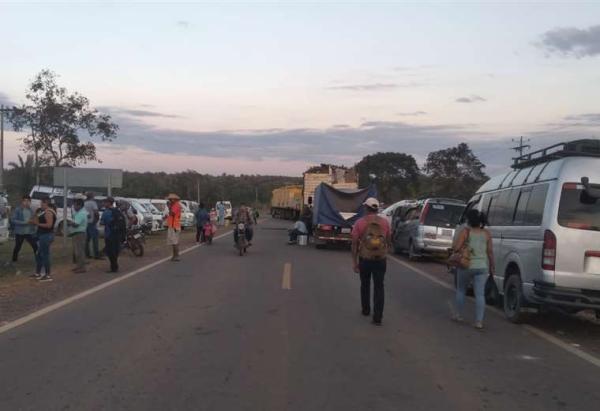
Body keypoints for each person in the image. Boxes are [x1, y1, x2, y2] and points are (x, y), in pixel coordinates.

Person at [452, 209, 495, 330]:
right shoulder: (487, 233)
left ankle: (458, 315)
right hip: (482, 267)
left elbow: (456, 247)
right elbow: (490, 252)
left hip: (466, 265)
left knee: (461, 290)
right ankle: (479, 321)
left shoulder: (465, 232)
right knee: (480, 294)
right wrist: (492, 266)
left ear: (469, 220)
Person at [351, 197, 391, 326]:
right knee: (379, 287)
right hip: (380, 259)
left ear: (366, 208)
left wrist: (354, 261)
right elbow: (389, 240)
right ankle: (378, 317)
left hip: (365, 258)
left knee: (365, 284)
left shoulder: (360, 223)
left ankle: (366, 309)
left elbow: (354, 243)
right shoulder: (385, 223)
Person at [30, 198, 56, 282]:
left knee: (45, 255)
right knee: (39, 254)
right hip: (42, 235)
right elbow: (36, 218)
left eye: (42, 203)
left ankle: (47, 274)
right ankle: (38, 272)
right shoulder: (43, 211)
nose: (40, 205)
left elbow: (49, 225)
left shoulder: (49, 212)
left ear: (46, 203)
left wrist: (37, 224)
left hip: (46, 235)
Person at [10, 195, 38, 263]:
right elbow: (13, 220)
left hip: (29, 232)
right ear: (22, 201)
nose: (26, 202)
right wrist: (24, 222)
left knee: (35, 246)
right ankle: (14, 260)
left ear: (30, 202)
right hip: (20, 232)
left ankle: (38, 259)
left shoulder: (31, 210)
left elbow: (34, 220)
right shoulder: (18, 209)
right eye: (25, 201)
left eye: (28, 201)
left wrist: (34, 223)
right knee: (17, 247)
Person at [100, 197, 123, 273]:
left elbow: (102, 222)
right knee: (115, 250)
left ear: (109, 203)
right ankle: (115, 266)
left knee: (110, 251)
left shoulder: (106, 212)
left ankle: (113, 267)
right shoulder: (117, 211)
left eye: (105, 202)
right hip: (117, 234)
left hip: (109, 234)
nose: (104, 204)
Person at [68, 198, 88, 273]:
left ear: (79, 205)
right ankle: (79, 266)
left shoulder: (81, 213)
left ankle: (82, 267)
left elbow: (76, 224)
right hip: (77, 233)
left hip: (79, 234)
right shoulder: (79, 212)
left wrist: (70, 223)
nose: (74, 207)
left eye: (75, 205)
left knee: (79, 251)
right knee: (77, 251)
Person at [84, 192, 101, 259]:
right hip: (92, 223)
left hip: (86, 223)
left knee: (87, 240)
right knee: (95, 239)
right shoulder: (93, 203)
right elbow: (96, 213)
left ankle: (87, 254)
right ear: (92, 196)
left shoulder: (84, 203)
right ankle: (96, 254)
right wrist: (96, 220)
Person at [166, 193, 182, 261]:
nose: (170, 200)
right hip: (173, 225)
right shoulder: (174, 205)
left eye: (171, 199)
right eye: (169, 199)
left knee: (175, 242)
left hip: (174, 226)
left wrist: (169, 207)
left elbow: (172, 213)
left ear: (174, 200)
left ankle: (177, 256)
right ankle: (174, 256)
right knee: (173, 242)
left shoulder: (176, 205)